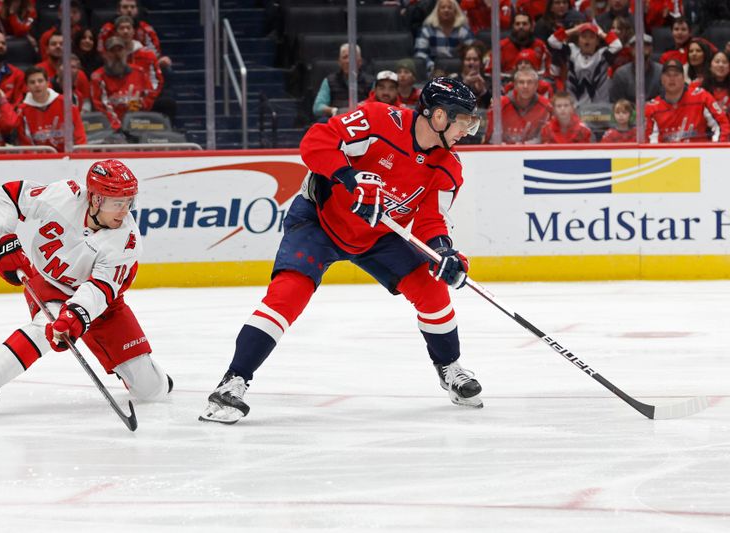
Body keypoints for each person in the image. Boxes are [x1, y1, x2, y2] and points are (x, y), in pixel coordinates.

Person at [200, 77, 484, 424]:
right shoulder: (379, 120)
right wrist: (349, 179)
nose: (468, 129)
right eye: (464, 120)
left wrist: (443, 252)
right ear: (439, 116)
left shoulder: (447, 166)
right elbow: (316, 142)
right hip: (319, 220)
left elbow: (431, 220)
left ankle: (450, 368)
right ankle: (233, 381)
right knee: (288, 294)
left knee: (433, 290)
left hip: (378, 235)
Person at [0, 159, 173, 418]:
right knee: (46, 324)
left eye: (128, 202)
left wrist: (76, 315)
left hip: (104, 303)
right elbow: (6, 196)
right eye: (117, 203)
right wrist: (2, 239)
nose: (124, 211)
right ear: (96, 199)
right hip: (49, 285)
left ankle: (146, 374)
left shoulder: (126, 240)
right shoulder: (63, 195)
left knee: (151, 390)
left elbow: (99, 290)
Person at [645, 59, 730, 143]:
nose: (672, 79)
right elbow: (648, 139)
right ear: (662, 80)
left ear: (683, 78)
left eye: (676, 74)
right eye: (668, 75)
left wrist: (716, 151)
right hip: (665, 155)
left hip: (700, 153)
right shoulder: (652, 108)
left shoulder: (701, 97)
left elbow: (723, 125)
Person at [547, 21, 622, 105]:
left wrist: (601, 33)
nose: (587, 40)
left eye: (591, 37)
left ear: (597, 42)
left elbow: (617, 45)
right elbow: (552, 41)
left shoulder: (603, 55)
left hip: (600, 109)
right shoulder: (572, 51)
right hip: (575, 107)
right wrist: (575, 30)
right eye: (584, 36)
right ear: (578, 40)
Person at [90, 36, 155, 131]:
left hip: (139, 124)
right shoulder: (97, 77)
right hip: (112, 129)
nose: (117, 54)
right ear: (105, 54)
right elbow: (101, 107)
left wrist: (141, 104)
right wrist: (119, 127)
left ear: (125, 52)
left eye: (120, 50)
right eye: (112, 51)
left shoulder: (140, 72)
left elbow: (149, 96)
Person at [17, 66, 86, 151]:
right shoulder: (22, 111)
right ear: (27, 86)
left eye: (40, 81)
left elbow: (79, 136)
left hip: (68, 158)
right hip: (39, 160)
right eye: (32, 82)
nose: (37, 85)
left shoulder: (66, 104)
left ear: (47, 82)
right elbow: (26, 144)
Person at [486, 67, 553, 144]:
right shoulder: (499, 105)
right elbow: (489, 137)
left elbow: (548, 139)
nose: (525, 86)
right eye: (521, 82)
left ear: (536, 85)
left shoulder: (546, 106)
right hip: (504, 153)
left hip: (533, 153)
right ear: (515, 85)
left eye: (530, 82)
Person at [97, 0, 171, 69]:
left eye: (132, 7)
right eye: (125, 7)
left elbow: (154, 53)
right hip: (113, 66)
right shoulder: (107, 29)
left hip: (141, 65)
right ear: (118, 11)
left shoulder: (146, 29)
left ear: (137, 10)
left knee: (166, 66)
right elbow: (101, 51)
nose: (129, 10)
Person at [311, 43, 373, 121]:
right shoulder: (329, 81)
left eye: (352, 57)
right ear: (339, 62)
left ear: (360, 61)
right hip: (337, 121)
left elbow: (376, 104)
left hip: (362, 120)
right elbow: (317, 108)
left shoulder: (371, 82)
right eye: (345, 57)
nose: (348, 61)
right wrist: (335, 111)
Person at [413, 0, 473, 77]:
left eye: (449, 7)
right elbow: (420, 53)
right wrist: (432, 66)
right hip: (434, 72)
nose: (446, 10)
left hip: (460, 72)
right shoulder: (427, 31)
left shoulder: (464, 31)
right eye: (443, 7)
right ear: (437, 11)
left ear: (455, 11)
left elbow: (472, 51)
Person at [609, 33, 662, 103]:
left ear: (651, 49)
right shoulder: (620, 74)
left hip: (657, 112)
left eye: (645, 45)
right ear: (630, 49)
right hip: (629, 113)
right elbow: (617, 103)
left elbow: (665, 100)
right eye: (636, 45)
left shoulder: (661, 71)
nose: (641, 48)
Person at [693, 51, 730, 119]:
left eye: (725, 62)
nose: (721, 65)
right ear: (710, 66)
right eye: (717, 61)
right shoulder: (697, 86)